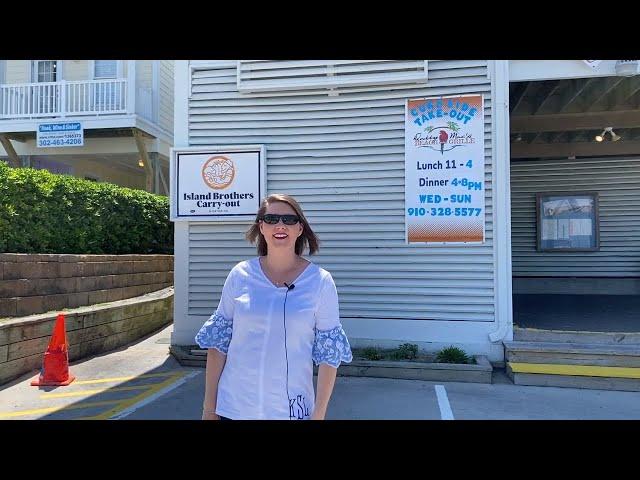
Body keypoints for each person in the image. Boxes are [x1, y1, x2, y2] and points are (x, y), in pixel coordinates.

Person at [195, 193, 353, 420]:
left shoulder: (320, 281)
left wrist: (318, 415)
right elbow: (218, 346)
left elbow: (330, 358)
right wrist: (209, 409)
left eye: (289, 220)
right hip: (234, 408)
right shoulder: (240, 275)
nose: (280, 225)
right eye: (271, 219)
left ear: (300, 228)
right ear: (261, 226)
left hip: (290, 412)